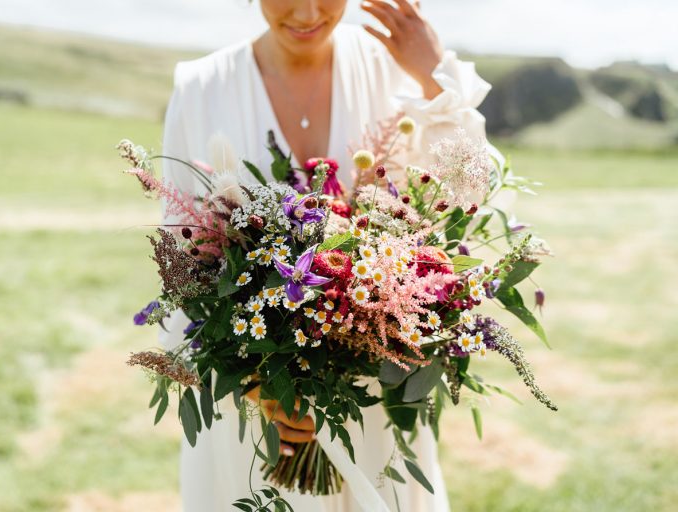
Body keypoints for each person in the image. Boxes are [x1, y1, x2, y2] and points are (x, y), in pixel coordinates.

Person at [161, 1, 496, 510]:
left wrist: (434, 80)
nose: (308, 11)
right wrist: (259, 386)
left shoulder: (394, 70)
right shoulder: (201, 90)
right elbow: (182, 263)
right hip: (254, 415)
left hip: (368, 400)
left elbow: (469, 194)